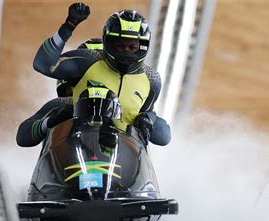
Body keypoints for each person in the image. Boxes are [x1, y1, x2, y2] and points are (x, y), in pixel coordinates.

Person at [17, 3, 170, 147]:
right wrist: (68, 26)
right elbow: (42, 64)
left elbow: (160, 132)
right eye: (120, 45)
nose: (126, 51)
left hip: (122, 159)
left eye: (132, 46)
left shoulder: (151, 79)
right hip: (74, 151)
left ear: (143, 46)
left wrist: (148, 119)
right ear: (108, 43)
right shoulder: (88, 61)